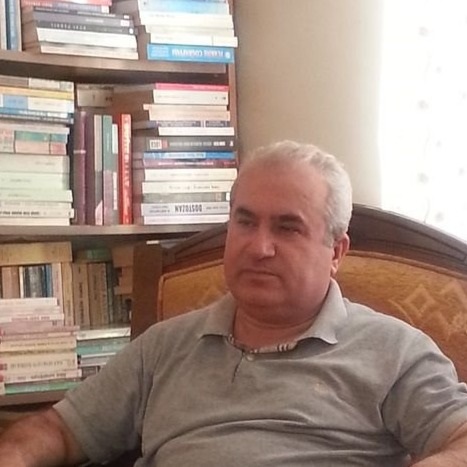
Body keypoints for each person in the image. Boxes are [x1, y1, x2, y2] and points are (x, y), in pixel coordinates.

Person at [0, 140, 467, 467]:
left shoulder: (395, 352)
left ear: (336, 252)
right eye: (245, 222)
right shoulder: (163, 348)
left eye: (287, 228)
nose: (259, 247)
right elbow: (59, 430)